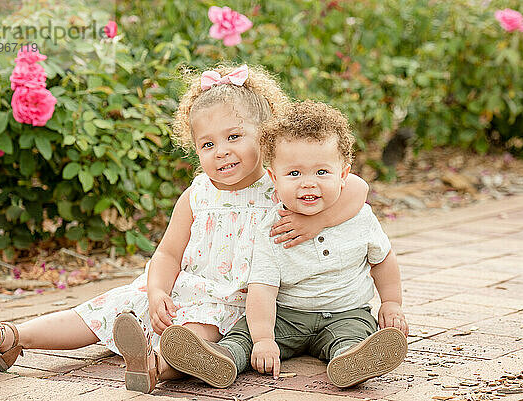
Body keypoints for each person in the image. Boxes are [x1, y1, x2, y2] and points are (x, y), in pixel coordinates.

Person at [0, 66, 369, 394]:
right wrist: (157, 291)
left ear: (264, 139)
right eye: (207, 144)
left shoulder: (280, 183)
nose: (222, 151)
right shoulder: (197, 194)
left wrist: (313, 220)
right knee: (99, 312)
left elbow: (357, 190)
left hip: (233, 303)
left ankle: (153, 366)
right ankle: (13, 337)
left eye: (234, 137)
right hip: (179, 291)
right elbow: (168, 253)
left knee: (194, 338)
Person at [159, 100, 408, 389]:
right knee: (245, 334)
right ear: (274, 180)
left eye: (322, 172)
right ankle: (220, 357)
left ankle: (350, 361)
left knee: (354, 335)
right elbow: (263, 289)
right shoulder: (272, 227)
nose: (308, 184)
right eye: (294, 174)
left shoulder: (359, 217)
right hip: (287, 315)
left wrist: (391, 302)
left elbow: (383, 260)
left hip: (346, 312)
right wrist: (264, 340)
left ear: (344, 175)